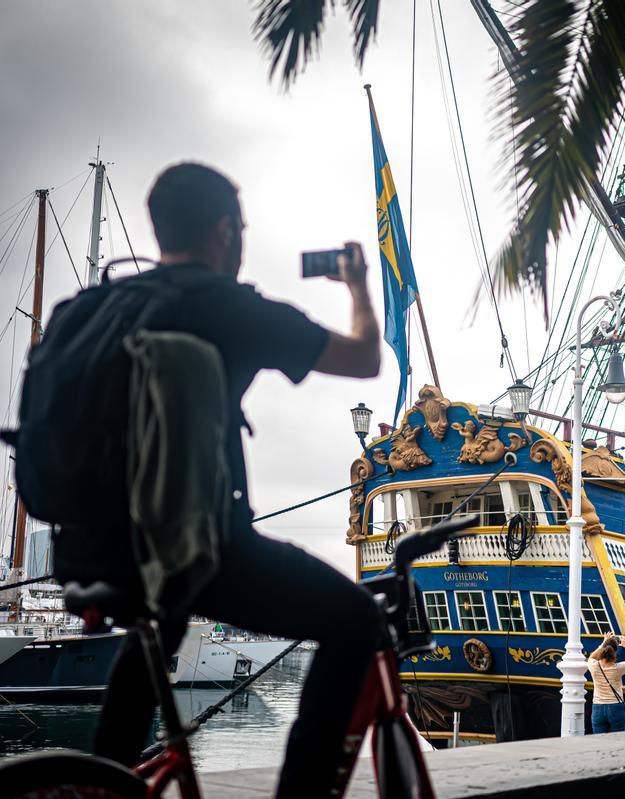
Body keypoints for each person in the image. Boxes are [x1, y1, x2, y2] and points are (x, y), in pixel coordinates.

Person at [50, 163, 383, 798]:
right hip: (198, 550)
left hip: (90, 550)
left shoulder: (94, 308)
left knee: (160, 619)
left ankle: (99, 784)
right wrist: (358, 285)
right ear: (227, 232)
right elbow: (366, 356)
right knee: (354, 618)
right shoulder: (229, 307)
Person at [587, 634, 625, 733]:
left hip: (597, 707)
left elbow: (592, 657)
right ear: (615, 652)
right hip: (615, 707)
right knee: (618, 740)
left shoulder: (594, 666)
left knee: (598, 740)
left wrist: (604, 642)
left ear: (603, 650)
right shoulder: (619, 668)